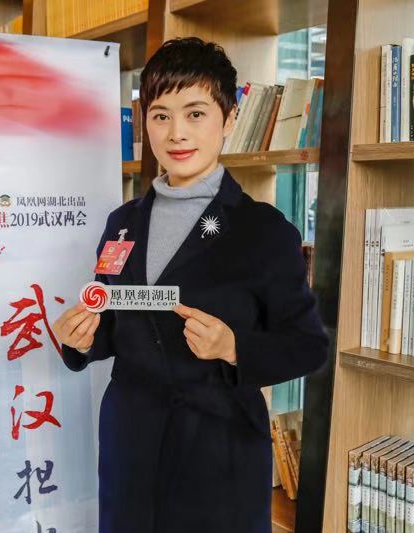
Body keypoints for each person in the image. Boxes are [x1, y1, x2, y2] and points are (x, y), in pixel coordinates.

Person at [53, 37, 328, 533]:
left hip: (219, 453)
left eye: (195, 113)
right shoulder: (122, 223)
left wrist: (234, 347)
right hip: (131, 444)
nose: (176, 133)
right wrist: (83, 340)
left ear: (229, 118)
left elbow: (308, 346)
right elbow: (115, 323)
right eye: (161, 116)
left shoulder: (263, 230)